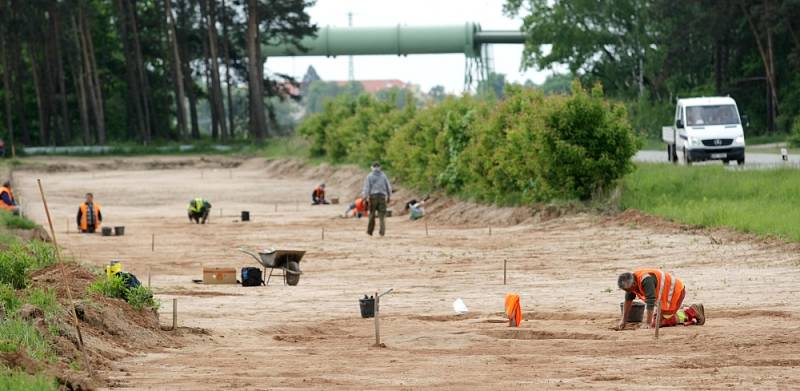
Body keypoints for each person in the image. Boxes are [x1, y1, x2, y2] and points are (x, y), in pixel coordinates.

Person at [617, 269, 705, 329]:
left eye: (628, 290)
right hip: (665, 298)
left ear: (634, 284)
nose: (628, 292)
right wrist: (623, 320)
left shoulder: (646, 280)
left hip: (676, 292)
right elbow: (628, 301)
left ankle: (691, 311)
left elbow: (650, 302)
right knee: (656, 318)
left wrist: (648, 323)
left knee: (659, 322)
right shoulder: (632, 282)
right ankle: (680, 309)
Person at [362, 162, 392, 236]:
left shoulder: (369, 176)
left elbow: (367, 188)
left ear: (372, 167)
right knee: (382, 215)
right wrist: (389, 196)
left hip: (373, 197)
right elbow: (388, 187)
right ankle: (382, 232)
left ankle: (370, 231)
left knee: (372, 215)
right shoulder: (383, 176)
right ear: (380, 167)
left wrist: (364, 198)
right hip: (382, 197)